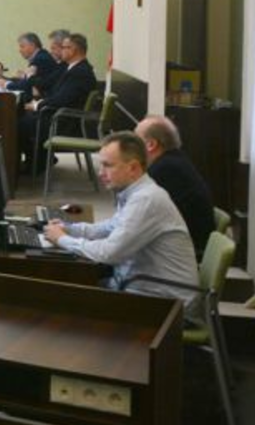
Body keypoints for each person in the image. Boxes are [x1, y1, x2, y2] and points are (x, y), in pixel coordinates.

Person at [44, 132, 199, 312]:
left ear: (133, 168)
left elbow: (109, 253)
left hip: (166, 305)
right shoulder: (133, 192)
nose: (101, 173)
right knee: (64, 288)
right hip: (142, 289)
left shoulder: (146, 200)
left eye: (108, 165)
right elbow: (109, 227)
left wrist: (62, 239)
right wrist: (70, 229)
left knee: (60, 300)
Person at [136, 116, 216, 258]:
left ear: (151, 144)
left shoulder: (165, 170)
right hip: (184, 244)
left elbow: (136, 220)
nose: (131, 147)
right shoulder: (174, 160)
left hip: (181, 254)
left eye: (135, 140)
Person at [18, 33, 97, 169]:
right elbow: (57, 94)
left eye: (64, 47)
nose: (61, 50)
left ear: (73, 50)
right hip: (61, 116)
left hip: (65, 122)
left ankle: (35, 164)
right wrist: (38, 104)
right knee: (22, 118)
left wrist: (37, 105)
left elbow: (62, 99)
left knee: (18, 124)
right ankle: (39, 161)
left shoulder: (80, 72)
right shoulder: (73, 68)